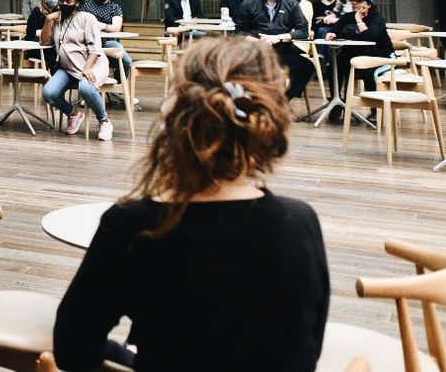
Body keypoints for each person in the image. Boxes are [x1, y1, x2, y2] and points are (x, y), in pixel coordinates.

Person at [52, 37, 329, 371]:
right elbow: (305, 349)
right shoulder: (299, 223)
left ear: (174, 117)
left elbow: (73, 346)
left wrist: (129, 357)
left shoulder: (131, 226)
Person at [41, 0, 114, 141]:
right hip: (68, 68)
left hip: (92, 64)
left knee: (86, 88)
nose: (64, 4)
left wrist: (87, 69)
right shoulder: (57, 20)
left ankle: (104, 121)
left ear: (77, 3)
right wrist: (48, 20)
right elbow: (45, 41)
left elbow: (95, 49)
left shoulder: (87, 18)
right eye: (61, 1)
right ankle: (73, 114)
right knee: (49, 93)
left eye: (68, 1)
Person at [234, 0, 314, 102]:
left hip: (282, 48)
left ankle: (284, 101)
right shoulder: (249, 4)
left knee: (306, 66)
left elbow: (303, 31)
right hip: (255, 50)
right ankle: (253, 103)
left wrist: (279, 37)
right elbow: (238, 31)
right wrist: (258, 41)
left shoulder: (291, 3)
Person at [327, 0, 394, 108]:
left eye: (359, 0)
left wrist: (359, 20)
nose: (354, 2)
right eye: (353, 0)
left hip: (381, 57)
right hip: (357, 55)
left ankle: (374, 109)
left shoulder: (377, 18)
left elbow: (370, 37)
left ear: (368, 4)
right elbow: (334, 29)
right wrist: (331, 33)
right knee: (335, 65)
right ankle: (336, 101)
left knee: (368, 71)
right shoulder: (347, 17)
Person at [80, 0, 126, 80]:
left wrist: (101, 25)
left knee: (126, 61)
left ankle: (118, 88)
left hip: (107, 43)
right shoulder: (83, 1)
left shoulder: (114, 8)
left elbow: (116, 27)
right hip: (86, 43)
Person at [26, 0, 62, 71]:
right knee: (53, 54)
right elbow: (30, 32)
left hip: (54, 45)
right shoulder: (37, 11)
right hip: (37, 46)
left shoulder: (61, 11)